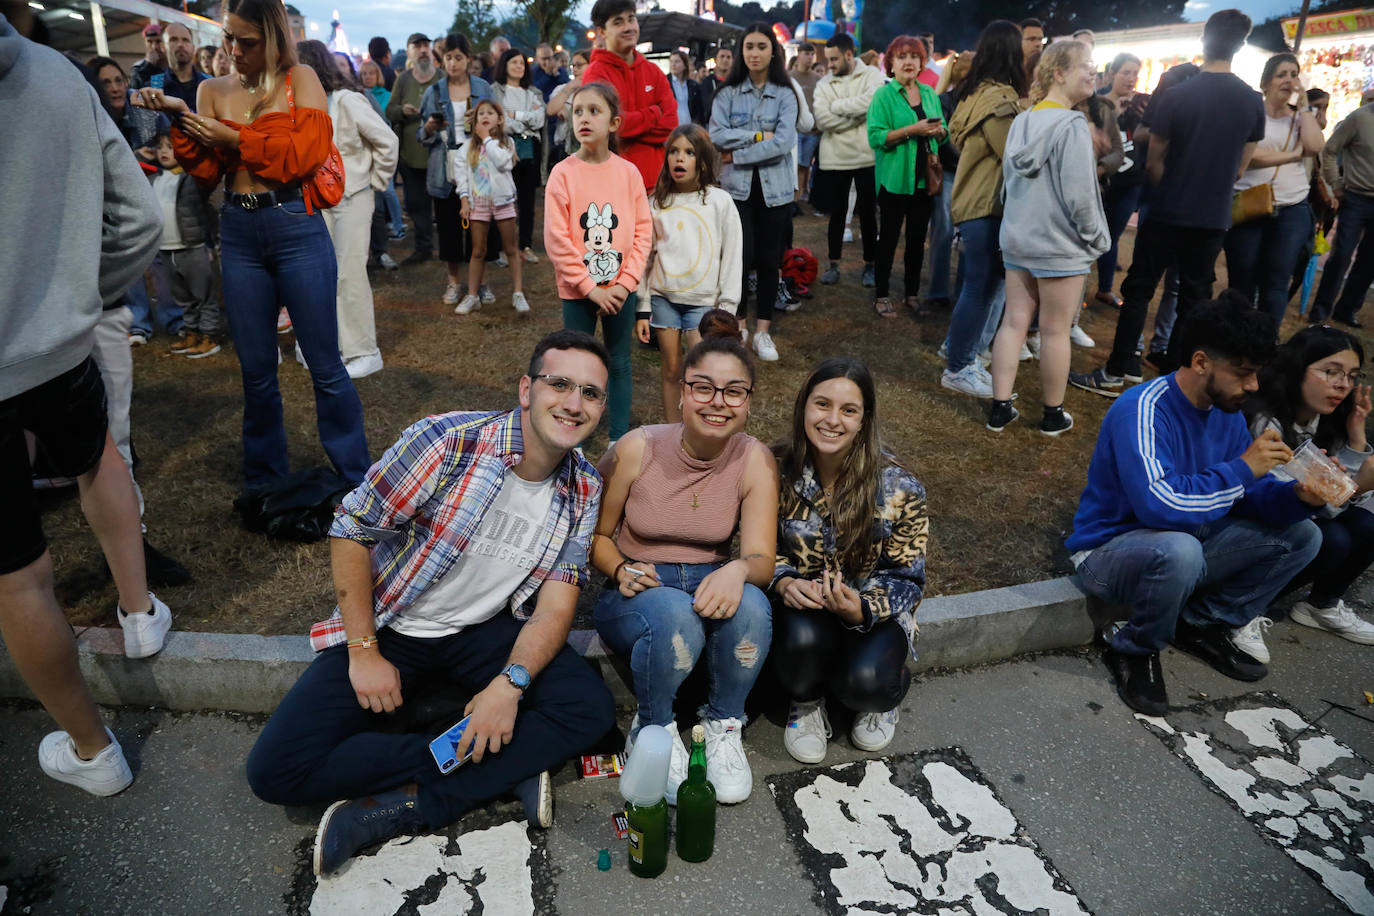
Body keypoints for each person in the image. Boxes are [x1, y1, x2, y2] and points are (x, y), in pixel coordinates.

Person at [245, 329, 618, 876]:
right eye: (558, 384)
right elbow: (352, 528)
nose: (573, 403)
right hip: (396, 626)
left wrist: (508, 686)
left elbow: (556, 606)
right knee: (274, 772)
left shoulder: (583, 486)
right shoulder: (449, 441)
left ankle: (419, 802)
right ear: (525, 389)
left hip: (484, 633)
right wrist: (364, 650)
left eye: (590, 393)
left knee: (589, 709)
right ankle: (489, 757)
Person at [1, 10, 173, 796]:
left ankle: (92, 749)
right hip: (58, 343)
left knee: (15, 576)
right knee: (95, 456)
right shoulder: (53, 74)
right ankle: (139, 614)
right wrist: (80, 296)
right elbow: (138, 217)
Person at [139, 0, 371, 492]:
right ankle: (265, 477)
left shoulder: (300, 79)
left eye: (247, 42)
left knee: (326, 363)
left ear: (274, 38)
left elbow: (303, 157)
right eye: (229, 39)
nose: (234, 51)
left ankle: (355, 478)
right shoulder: (210, 89)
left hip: (296, 223)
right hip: (239, 231)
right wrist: (183, 119)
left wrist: (234, 138)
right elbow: (203, 174)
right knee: (257, 370)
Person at [1068, 294, 1323, 716]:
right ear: (1201, 361)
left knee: (1303, 535)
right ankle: (1134, 648)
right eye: (1243, 373)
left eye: (1257, 373)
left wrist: (1297, 498)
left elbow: (1246, 497)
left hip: (1182, 540)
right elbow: (1158, 504)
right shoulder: (1143, 408)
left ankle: (1202, 624)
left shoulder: (1227, 411)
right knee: (1179, 550)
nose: (1254, 386)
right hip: (1107, 552)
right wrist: (1244, 469)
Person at [592, 311, 777, 804]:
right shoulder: (637, 448)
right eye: (703, 388)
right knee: (676, 618)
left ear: (748, 403)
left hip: (710, 579)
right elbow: (594, 536)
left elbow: (761, 557)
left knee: (755, 606)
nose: (717, 402)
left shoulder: (754, 458)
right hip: (637, 588)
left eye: (733, 391)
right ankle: (653, 728)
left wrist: (737, 568)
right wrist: (619, 568)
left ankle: (722, 726)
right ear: (681, 393)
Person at [1072, 9, 1265, 396]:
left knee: (1140, 287)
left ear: (1204, 40)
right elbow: (1241, 167)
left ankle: (1117, 370)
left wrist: (1172, 184)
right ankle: (1175, 379)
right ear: (1240, 45)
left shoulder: (1178, 94)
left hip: (1167, 207)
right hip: (1212, 215)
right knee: (1196, 297)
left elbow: (1155, 159)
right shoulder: (1250, 100)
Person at [771, 358, 926, 763]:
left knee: (865, 684)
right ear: (804, 405)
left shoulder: (898, 485)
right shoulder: (774, 471)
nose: (832, 420)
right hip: (804, 610)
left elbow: (908, 578)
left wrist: (863, 608)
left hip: (872, 612)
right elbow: (752, 548)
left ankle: (878, 698)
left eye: (849, 410)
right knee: (800, 647)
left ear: (864, 419)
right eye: (822, 404)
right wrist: (784, 580)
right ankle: (805, 704)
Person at [987, 39, 1109, 437]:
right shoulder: (1071, 125)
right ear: (1059, 73)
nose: (1093, 71)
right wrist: (1098, 240)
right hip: (1059, 246)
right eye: (1086, 65)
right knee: (1055, 330)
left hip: (1019, 239)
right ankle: (1053, 415)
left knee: (1013, 322)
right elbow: (1081, 197)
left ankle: (999, 408)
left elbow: (1007, 184)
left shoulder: (1023, 119)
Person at [1244, 326, 1374, 646]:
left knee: (1368, 521)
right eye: (1331, 372)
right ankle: (1243, 607)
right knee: (1333, 538)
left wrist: (1357, 436)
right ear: (1297, 368)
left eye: (1352, 375)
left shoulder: (1327, 417)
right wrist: (1355, 486)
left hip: (1296, 515)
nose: (1343, 384)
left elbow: (1337, 491)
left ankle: (1321, 605)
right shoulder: (1266, 422)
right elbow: (1298, 506)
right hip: (1253, 524)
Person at [545, 83, 651, 444]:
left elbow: (642, 232)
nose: (584, 119)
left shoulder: (629, 174)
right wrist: (589, 288)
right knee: (577, 365)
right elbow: (557, 240)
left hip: (621, 291)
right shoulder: (562, 174)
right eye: (578, 112)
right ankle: (574, 429)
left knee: (619, 362)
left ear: (614, 123)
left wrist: (624, 284)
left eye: (594, 111)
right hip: (578, 292)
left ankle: (618, 436)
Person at [296, 39, 397, 380]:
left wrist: (374, 182)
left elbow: (387, 140)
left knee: (350, 275)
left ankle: (365, 351)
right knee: (320, 276)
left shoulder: (348, 100)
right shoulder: (299, 106)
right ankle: (328, 346)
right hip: (314, 200)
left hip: (352, 198)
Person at [940, 21, 1025, 399]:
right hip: (987, 205)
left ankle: (958, 352)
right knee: (980, 289)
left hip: (973, 201)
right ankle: (959, 366)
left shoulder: (972, 93)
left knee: (975, 288)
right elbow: (1015, 156)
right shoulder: (999, 100)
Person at [640, 124, 743, 421]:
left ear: (702, 160)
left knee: (701, 373)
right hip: (664, 299)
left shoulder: (719, 202)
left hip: (704, 302)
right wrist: (643, 305)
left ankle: (698, 428)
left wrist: (728, 307)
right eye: (673, 152)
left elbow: (733, 254)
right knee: (671, 369)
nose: (679, 159)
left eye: (688, 152)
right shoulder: (655, 203)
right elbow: (646, 259)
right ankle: (673, 431)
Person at [709, 23, 797, 364]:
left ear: (772, 51)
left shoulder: (785, 94)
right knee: (739, 259)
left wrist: (740, 148)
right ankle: (740, 326)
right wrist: (760, 136)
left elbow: (784, 143)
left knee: (769, 259)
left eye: (761, 46)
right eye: (749, 46)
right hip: (737, 189)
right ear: (741, 51)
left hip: (774, 189)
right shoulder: (727, 94)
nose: (754, 53)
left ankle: (763, 331)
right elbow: (717, 135)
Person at [1224, 53, 1323, 331]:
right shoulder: (1252, 113)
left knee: (1276, 282)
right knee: (1241, 279)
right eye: (1282, 74)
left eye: (1294, 74)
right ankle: (1234, 338)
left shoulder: (1301, 117)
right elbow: (1250, 155)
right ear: (1266, 82)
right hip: (1249, 203)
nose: (1289, 80)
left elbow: (1314, 147)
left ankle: (1264, 341)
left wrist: (1304, 107)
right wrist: (1293, 155)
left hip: (1291, 207)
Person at [867, 34, 946, 319]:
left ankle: (912, 294)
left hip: (924, 179)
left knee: (916, 240)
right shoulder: (883, 95)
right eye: (902, 57)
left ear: (921, 61)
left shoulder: (928, 93)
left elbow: (944, 125)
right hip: (894, 180)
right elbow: (875, 137)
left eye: (914, 56)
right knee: (887, 239)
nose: (909, 62)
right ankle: (881, 295)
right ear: (891, 63)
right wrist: (913, 130)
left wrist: (939, 131)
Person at [419, 32, 493, 307]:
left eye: (458, 58)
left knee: (482, 225)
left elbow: (499, 124)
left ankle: (481, 281)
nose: (453, 63)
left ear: (468, 59)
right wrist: (428, 128)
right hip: (446, 164)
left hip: (479, 161)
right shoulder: (434, 91)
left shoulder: (483, 88)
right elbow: (421, 134)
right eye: (448, 58)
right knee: (449, 225)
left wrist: (484, 122)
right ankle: (454, 281)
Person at [581, 0, 676, 189]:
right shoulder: (595, 74)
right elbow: (603, 128)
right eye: (618, 22)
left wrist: (625, 128)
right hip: (614, 185)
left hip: (657, 185)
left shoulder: (653, 71)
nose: (628, 27)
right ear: (602, 31)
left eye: (631, 19)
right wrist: (653, 113)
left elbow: (671, 123)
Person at [814, 33, 884, 289]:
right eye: (827, 59)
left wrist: (839, 107)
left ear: (848, 54)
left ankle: (870, 265)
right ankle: (834, 265)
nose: (829, 64)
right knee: (837, 213)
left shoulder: (872, 75)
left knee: (867, 213)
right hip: (835, 159)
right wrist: (858, 116)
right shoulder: (824, 84)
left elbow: (874, 102)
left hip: (866, 156)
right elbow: (822, 120)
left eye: (834, 59)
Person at [450, 98, 528, 315]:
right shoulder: (466, 148)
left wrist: (487, 140)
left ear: (500, 119)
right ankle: (473, 295)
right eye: (480, 113)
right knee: (477, 250)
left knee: (511, 248)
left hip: (503, 202)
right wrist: (464, 199)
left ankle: (518, 293)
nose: (485, 116)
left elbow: (502, 161)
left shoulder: (506, 144)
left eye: (490, 113)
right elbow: (461, 176)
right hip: (479, 203)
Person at [148, 132, 221, 359]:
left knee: (203, 294)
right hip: (166, 249)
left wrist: (211, 242)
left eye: (170, 147)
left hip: (192, 247)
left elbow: (209, 208)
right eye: (160, 147)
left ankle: (209, 336)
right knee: (182, 296)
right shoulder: (154, 179)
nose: (164, 152)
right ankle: (192, 331)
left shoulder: (192, 179)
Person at [1310, 83, 1374, 327]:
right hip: (1356, 197)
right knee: (1341, 256)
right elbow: (1330, 150)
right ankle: (1320, 310)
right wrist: (1335, 183)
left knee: (1369, 262)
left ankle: (1346, 310)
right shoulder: (1359, 118)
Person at [386, 33, 443, 265]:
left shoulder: (441, 77)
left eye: (425, 45)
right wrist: (402, 111)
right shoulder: (404, 79)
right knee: (418, 205)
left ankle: (449, 249)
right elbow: (390, 110)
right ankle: (423, 248)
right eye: (417, 46)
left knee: (443, 204)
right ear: (409, 51)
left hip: (438, 154)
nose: (422, 50)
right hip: (410, 154)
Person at [1094, 53, 1145, 309]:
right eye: (1126, 72)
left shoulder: (1140, 106)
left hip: (1128, 183)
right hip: (1099, 179)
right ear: (1112, 73)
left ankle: (1104, 288)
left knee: (1111, 237)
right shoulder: (1095, 102)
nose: (1131, 78)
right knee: (1087, 235)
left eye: (1135, 73)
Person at [924, 49, 973, 312]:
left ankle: (960, 289)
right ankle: (939, 291)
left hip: (969, 173)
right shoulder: (943, 101)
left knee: (966, 233)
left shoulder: (978, 102)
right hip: (954, 171)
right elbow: (942, 140)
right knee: (944, 231)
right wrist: (967, 157)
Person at [492, 47, 545, 265]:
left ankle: (525, 245)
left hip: (529, 150)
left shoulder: (532, 93)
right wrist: (521, 121)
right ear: (504, 65)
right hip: (504, 150)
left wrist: (515, 117)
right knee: (502, 199)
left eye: (522, 63)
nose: (518, 67)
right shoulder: (495, 90)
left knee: (527, 201)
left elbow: (539, 119)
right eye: (514, 62)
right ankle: (502, 248)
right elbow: (500, 120)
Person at [361, 58, 406, 245]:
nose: (368, 77)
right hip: (365, 150)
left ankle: (398, 225)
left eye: (371, 73)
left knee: (387, 190)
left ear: (378, 75)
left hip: (380, 148)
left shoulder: (387, 96)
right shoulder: (358, 94)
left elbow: (386, 122)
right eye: (364, 73)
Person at [790, 43, 822, 200]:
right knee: (793, 163)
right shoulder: (789, 77)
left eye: (812, 54)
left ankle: (800, 194)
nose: (809, 57)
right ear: (799, 55)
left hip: (812, 130)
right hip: (794, 129)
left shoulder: (818, 79)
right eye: (806, 53)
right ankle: (792, 194)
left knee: (804, 165)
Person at [533, 42, 570, 173]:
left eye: (550, 57)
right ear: (537, 59)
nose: (548, 61)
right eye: (544, 59)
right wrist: (549, 75)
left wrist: (556, 75)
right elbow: (536, 89)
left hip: (559, 118)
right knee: (545, 152)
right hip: (541, 119)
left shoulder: (560, 71)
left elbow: (567, 87)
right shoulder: (534, 73)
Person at [156, 23, 207, 113]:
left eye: (186, 40)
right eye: (173, 40)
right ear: (162, 47)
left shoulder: (209, 83)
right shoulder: (154, 87)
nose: (180, 44)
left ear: (193, 47)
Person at [668, 49, 705, 127]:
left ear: (685, 65)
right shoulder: (664, 83)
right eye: (671, 61)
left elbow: (699, 109)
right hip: (671, 128)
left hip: (689, 128)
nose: (673, 64)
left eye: (677, 61)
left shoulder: (693, 85)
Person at [129, 21, 167, 89]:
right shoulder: (138, 68)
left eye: (158, 41)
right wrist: (148, 66)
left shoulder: (173, 64)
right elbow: (136, 91)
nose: (154, 47)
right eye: (149, 42)